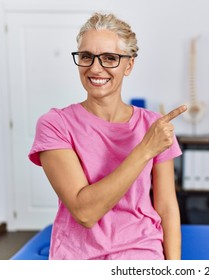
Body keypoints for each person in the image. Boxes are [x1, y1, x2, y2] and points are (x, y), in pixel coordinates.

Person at [28, 12, 187, 260]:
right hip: (77, 255)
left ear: (129, 65)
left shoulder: (153, 125)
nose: (95, 68)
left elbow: (166, 206)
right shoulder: (55, 124)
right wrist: (144, 149)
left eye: (109, 58)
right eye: (86, 57)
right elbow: (85, 212)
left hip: (141, 252)